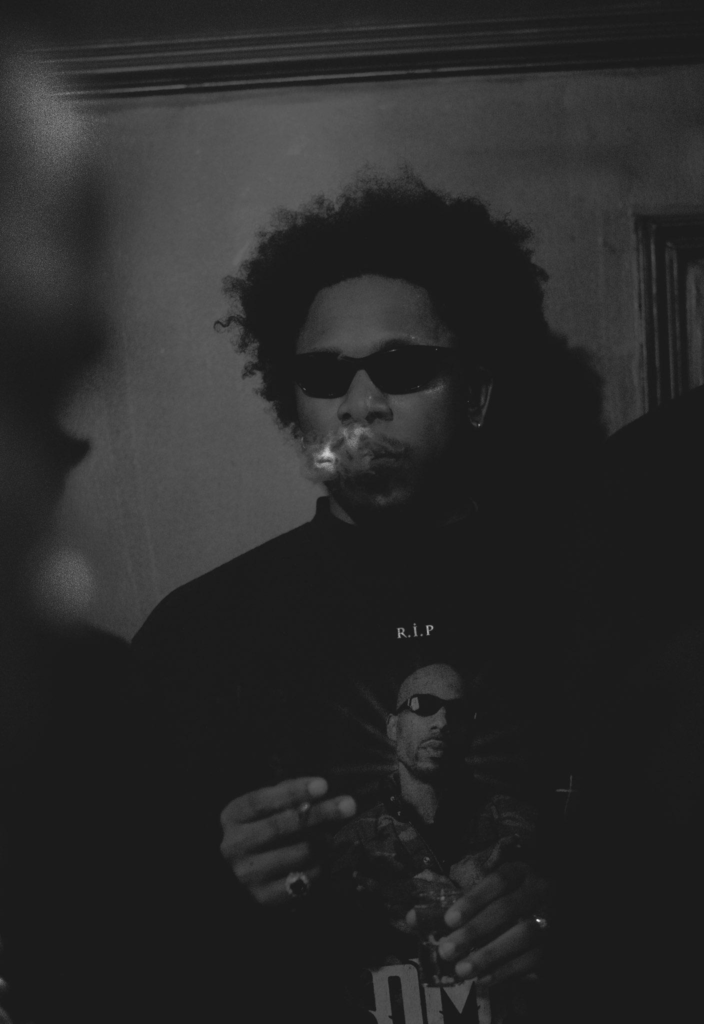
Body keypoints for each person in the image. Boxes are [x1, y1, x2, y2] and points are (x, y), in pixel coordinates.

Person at [131, 170, 603, 1022]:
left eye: (402, 366)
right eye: (323, 375)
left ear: (478, 391)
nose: (360, 404)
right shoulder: (198, 636)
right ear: (293, 407)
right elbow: (115, 936)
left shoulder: (593, 600)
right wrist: (216, 882)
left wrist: (565, 912)